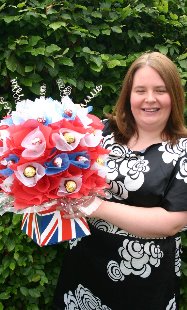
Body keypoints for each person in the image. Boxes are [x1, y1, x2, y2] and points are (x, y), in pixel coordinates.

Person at [53, 51, 187, 310]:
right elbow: (62, 173)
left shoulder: (182, 150)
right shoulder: (100, 133)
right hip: (85, 266)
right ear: (129, 95)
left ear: (174, 96)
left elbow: (173, 222)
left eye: (160, 90)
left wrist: (96, 207)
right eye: (140, 90)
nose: (150, 99)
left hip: (144, 279)